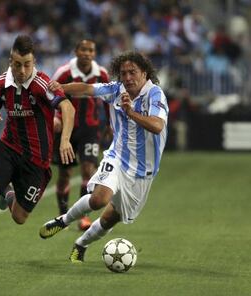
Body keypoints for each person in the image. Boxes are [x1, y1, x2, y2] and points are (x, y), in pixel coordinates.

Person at [0, 35, 75, 265]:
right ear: (10, 61)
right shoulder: (1, 84)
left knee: (20, 217)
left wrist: (65, 140)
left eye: (27, 64)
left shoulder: (42, 84)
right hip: (8, 147)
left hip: (37, 160)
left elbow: (67, 108)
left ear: (34, 61)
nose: (22, 70)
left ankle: (7, 192)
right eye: (17, 64)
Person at [39, 50, 169, 263]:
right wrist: (61, 88)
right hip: (117, 157)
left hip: (143, 171)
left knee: (110, 218)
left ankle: (81, 244)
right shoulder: (116, 90)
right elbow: (87, 89)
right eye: (123, 73)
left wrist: (131, 113)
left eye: (132, 72)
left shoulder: (155, 95)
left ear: (144, 72)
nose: (127, 78)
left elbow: (157, 125)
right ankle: (63, 220)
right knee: (99, 199)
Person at [51, 39, 110, 231]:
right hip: (66, 130)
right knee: (65, 174)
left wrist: (110, 124)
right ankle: (63, 213)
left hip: (90, 129)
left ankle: (83, 217)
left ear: (95, 53)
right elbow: (49, 95)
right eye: (83, 49)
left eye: (91, 50)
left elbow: (109, 99)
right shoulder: (64, 73)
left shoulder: (101, 73)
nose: (87, 53)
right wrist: (54, 117)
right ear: (76, 51)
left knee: (88, 170)